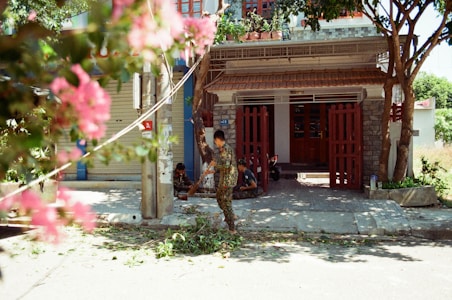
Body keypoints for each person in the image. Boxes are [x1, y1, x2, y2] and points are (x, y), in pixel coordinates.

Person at [207, 130, 238, 234]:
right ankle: (231, 216)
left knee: (225, 203)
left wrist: (215, 164)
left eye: (215, 141)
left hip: (227, 180)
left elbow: (226, 165)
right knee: (220, 198)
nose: (215, 143)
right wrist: (214, 170)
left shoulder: (225, 149)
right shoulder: (223, 149)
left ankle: (232, 228)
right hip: (225, 179)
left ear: (217, 140)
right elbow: (223, 165)